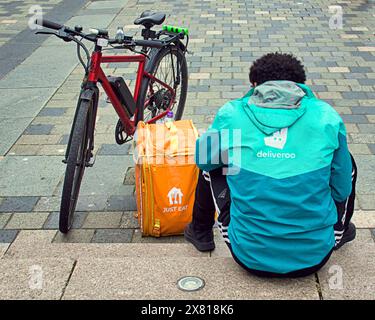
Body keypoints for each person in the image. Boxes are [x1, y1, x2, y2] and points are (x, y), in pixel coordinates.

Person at [184, 52, 357, 278]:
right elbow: (341, 189)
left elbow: (203, 160)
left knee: (214, 162)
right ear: (300, 85)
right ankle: (340, 232)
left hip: (248, 255)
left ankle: (200, 232)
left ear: (254, 85)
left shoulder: (231, 113)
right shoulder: (326, 116)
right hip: (316, 257)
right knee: (347, 164)